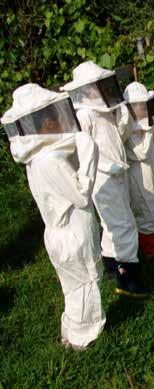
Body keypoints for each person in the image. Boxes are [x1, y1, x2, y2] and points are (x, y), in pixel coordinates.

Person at [1, 83, 105, 350]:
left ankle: (70, 336)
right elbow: (81, 195)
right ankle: (85, 342)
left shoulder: (38, 158)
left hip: (61, 233)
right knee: (85, 286)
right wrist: (89, 154)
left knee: (74, 288)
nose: (58, 120)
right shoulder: (50, 160)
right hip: (71, 232)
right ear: (41, 123)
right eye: (51, 116)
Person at [61, 61, 146, 297]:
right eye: (96, 86)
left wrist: (120, 112)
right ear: (86, 90)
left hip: (115, 170)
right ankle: (127, 277)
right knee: (124, 224)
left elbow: (122, 133)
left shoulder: (107, 109)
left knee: (111, 222)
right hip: (102, 174)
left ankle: (111, 262)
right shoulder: (84, 115)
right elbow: (80, 150)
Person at [123, 82, 154, 259]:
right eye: (137, 106)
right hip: (138, 171)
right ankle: (147, 249)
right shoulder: (128, 131)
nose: (142, 109)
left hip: (152, 166)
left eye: (144, 105)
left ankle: (147, 240)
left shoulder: (150, 123)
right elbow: (141, 152)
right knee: (144, 203)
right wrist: (148, 132)